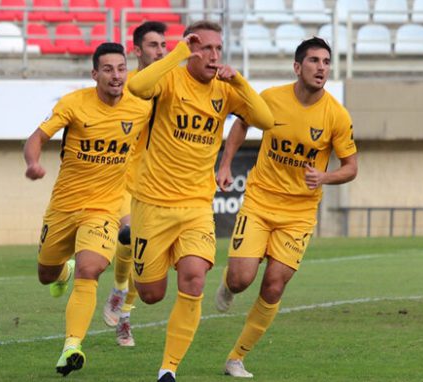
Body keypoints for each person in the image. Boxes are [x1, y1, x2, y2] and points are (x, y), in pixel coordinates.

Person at [126, 20, 275, 382]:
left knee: (194, 279)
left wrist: (238, 80)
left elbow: (265, 119)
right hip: (153, 204)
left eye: (217, 49)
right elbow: (136, 85)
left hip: (196, 205)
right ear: (191, 49)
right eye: (204, 48)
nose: (212, 55)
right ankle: (130, 268)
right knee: (151, 294)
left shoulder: (225, 91)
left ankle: (168, 369)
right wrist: (177, 51)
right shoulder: (170, 79)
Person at [214, 37, 358, 378]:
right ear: (297, 67)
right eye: (314, 61)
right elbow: (242, 123)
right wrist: (225, 164)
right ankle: (227, 283)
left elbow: (352, 167)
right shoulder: (271, 99)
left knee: (275, 285)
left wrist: (324, 176)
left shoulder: (336, 115)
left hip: (299, 213)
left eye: (326, 61)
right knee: (241, 280)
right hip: (260, 200)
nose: (321, 67)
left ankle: (236, 358)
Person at [23, 42, 151, 376]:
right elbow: (36, 137)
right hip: (63, 208)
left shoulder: (140, 108)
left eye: (121, 68)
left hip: (104, 209)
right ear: (95, 74)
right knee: (45, 274)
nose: (116, 75)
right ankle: (61, 272)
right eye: (107, 69)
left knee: (90, 270)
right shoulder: (74, 104)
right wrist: (33, 163)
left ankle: (71, 347)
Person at [101, 20, 168, 348]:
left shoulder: (172, 84)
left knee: (150, 256)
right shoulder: (122, 85)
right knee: (129, 235)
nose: (160, 51)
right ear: (137, 50)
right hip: (124, 180)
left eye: (164, 46)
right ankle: (117, 289)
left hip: (159, 184)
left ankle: (125, 316)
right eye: (154, 46)